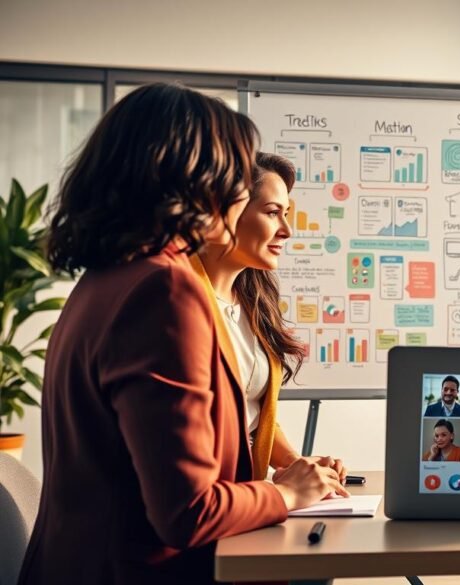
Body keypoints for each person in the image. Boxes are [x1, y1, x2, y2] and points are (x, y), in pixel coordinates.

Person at [19, 83, 341, 585]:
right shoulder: (164, 290)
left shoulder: (107, 277)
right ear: (194, 180)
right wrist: (289, 494)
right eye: (233, 175)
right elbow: (188, 512)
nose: (240, 193)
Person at [191, 152, 347, 481]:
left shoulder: (253, 299)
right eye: (273, 213)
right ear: (226, 212)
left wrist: (294, 463)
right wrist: (284, 493)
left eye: (286, 214)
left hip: (245, 500)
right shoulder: (183, 305)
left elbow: (251, 411)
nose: (287, 230)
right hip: (210, 503)